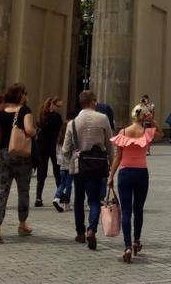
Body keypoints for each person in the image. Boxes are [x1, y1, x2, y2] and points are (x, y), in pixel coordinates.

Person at [108, 103, 164, 263]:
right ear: (143, 116)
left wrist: (111, 176)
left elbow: (118, 157)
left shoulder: (123, 132)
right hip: (141, 173)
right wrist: (152, 121)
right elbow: (160, 134)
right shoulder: (146, 133)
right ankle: (136, 241)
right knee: (138, 209)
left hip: (125, 173)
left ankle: (126, 246)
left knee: (126, 211)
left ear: (132, 116)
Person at [63, 90, 114, 250]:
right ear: (92, 102)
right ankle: (91, 229)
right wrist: (111, 164)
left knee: (78, 200)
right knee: (93, 200)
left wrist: (71, 157)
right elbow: (110, 144)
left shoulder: (73, 123)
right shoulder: (103, 118)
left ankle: (80, 232)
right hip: (97, 165)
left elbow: (65, 149)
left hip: (79, 166)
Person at [0, 83, 36, 244]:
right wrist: (34, 131)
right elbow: (29, 130)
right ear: (21, 95)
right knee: (23, 190)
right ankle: (22, 224)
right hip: (22, 156)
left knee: (1, 192)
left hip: (3, 155)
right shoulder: (25, 111)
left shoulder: (0, 114)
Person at [34, 97, 63, 207]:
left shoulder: (42, 117)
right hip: (53, 146)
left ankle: (38, 197)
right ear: (52, 105)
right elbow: (60, 131)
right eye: (57, 106)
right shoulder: (56, 117)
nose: (58, 108)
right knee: (57, 171)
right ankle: (59, 196)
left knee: (42, 172)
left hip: (42, 147)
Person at [52, 119, 73, 213]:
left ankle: (56, 197)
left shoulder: (59, 138)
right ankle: (67, 203)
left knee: (62, 183)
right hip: (70, 165)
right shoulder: (70, 138)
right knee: (69, 185)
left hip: (62, 165)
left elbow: (57, 153)